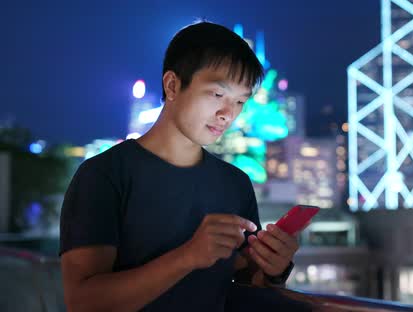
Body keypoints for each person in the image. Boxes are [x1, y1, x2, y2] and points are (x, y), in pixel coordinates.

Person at [59, 21, 300, 311]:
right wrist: (187, 256)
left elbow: (247, 287)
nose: (227, 114)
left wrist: (275, 270)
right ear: (172, 85)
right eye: (217, 95)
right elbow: (82, 303)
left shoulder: (234, 184)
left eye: (239, 101)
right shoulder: (104, 175)